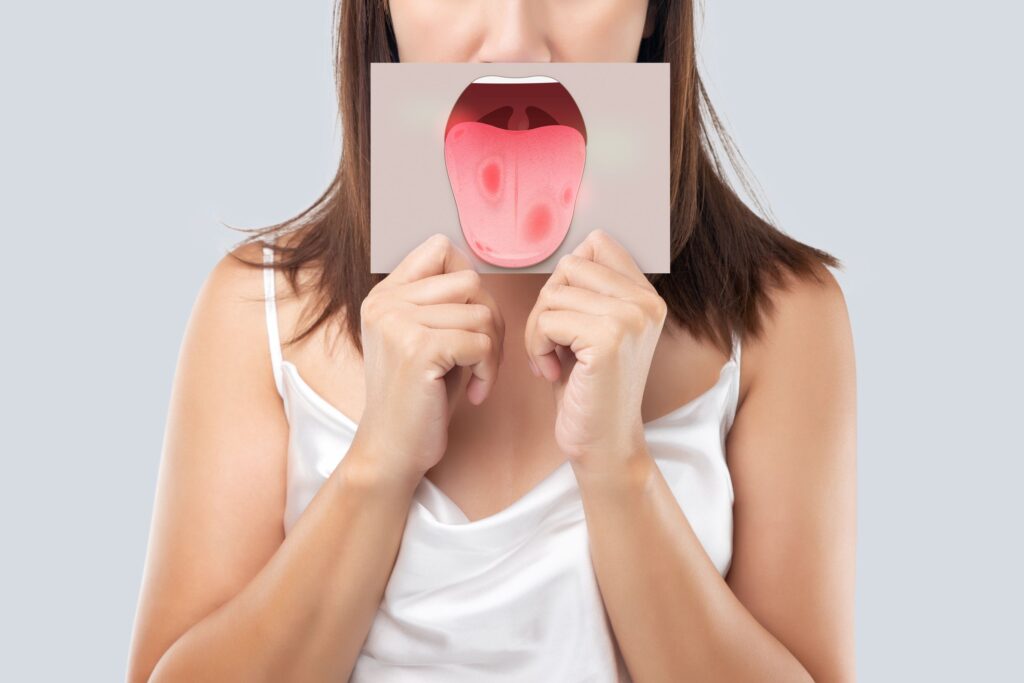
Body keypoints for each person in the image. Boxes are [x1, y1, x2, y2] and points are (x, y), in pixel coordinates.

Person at [127, 0, 857, 680]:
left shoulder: (781, 320)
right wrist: (378, 462)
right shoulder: (258, 311)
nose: (513, 39)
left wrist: (618, 467)